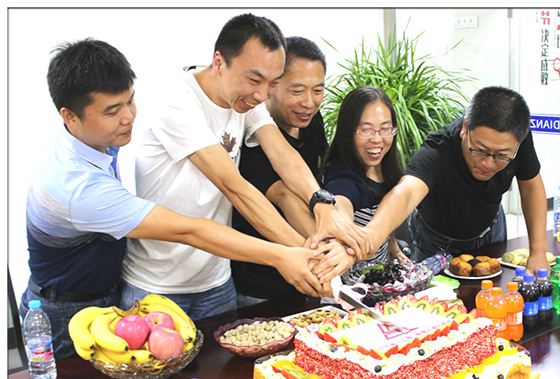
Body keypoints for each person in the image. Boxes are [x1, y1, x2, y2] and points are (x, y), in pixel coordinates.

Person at [19, 38, 333, 360]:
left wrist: (320, 214)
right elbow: (191, 229)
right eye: (113, 111)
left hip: (154, 284)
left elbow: (283, 157)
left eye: (130, 101)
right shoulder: (80, 187)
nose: (129, 117)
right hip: (67, 307)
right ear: (70, 116)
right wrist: (285, 255)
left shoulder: (93, 137)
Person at [121, 13, 366, 318]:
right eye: (254, 80)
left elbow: (285, 156)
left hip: (217, 281)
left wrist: (322, 205)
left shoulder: (247, 100)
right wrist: (310, 256)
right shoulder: (176, 100)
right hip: (159, 284)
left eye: (273, 83)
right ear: (219, 62)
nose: (262, 95)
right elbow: (234, 187)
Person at [317, 86, 549, 278]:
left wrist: (538, 251)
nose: (488, 163)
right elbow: (406, 193)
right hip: (439, 241)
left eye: (501, 156)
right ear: (465, 128)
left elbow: (531, 187)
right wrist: (368, 237)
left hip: (491, 228)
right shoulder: (438, 150)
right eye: (480, 150)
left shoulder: (515, 137)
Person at [232, 36, 331, 307]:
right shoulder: (251, 141)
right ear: (272, 85)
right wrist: (326, 250)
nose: (309, 102)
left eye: (318, 90)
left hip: (309, 273)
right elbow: (286, 197)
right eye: (297, 91)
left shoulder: (312, 121)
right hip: (259, 286)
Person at [321, 86, 406, 265]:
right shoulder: (341, 176)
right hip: (352, 279)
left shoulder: (388, 165)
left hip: (383, 273)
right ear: (347, 131)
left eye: (385, 129)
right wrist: (341, 233)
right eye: (366, 130)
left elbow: (389, 214)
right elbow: (341, 205)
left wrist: (392, 244)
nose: (377, 139)